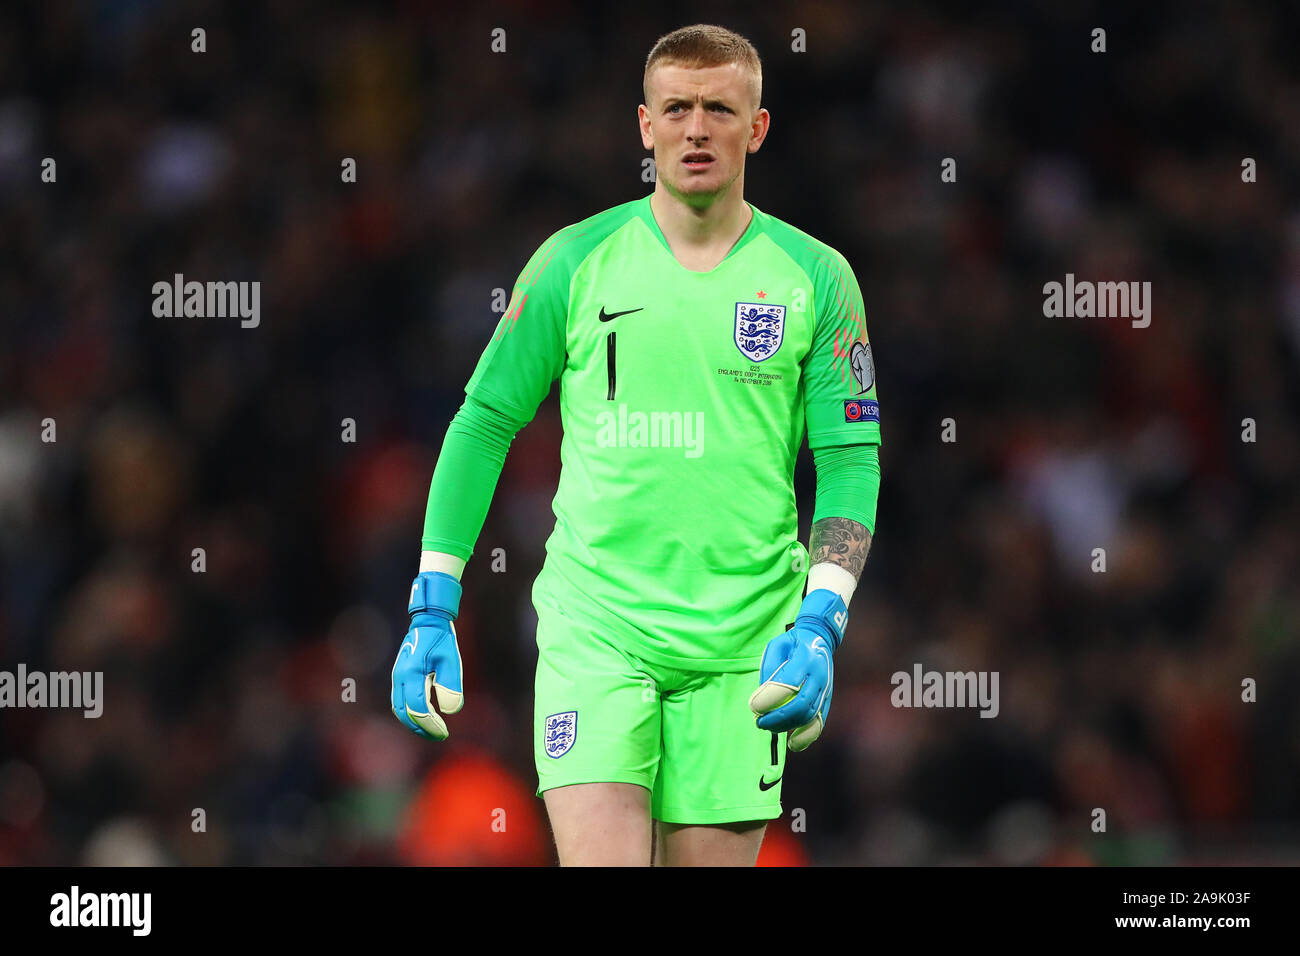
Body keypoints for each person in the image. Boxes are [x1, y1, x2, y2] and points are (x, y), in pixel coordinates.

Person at [391, 23, 882, 866]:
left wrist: (823, 618)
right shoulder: (573, 263)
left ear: (756, 128)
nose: (698, 129)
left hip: (746, 641)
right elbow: (483, 423)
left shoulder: (818, 278)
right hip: (597, 627)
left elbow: (847, 461)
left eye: (721, 110)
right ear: (645, 126)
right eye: (678, 109)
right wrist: (434, 603)